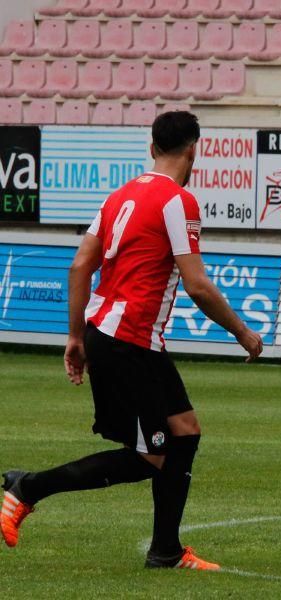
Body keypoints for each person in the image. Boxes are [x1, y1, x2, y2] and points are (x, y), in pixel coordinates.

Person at [0, 111, 263, 569]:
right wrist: (243, 332)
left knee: (185, 432)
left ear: (152, 148)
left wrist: (75, 337)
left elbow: (80, 266)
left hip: (115, 334)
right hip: (130, 339)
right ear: (193, 148)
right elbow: (198, 284)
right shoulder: (178, 201)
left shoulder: (119, 195)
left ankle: (166, 551)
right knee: (151, 456)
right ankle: (27, 487)